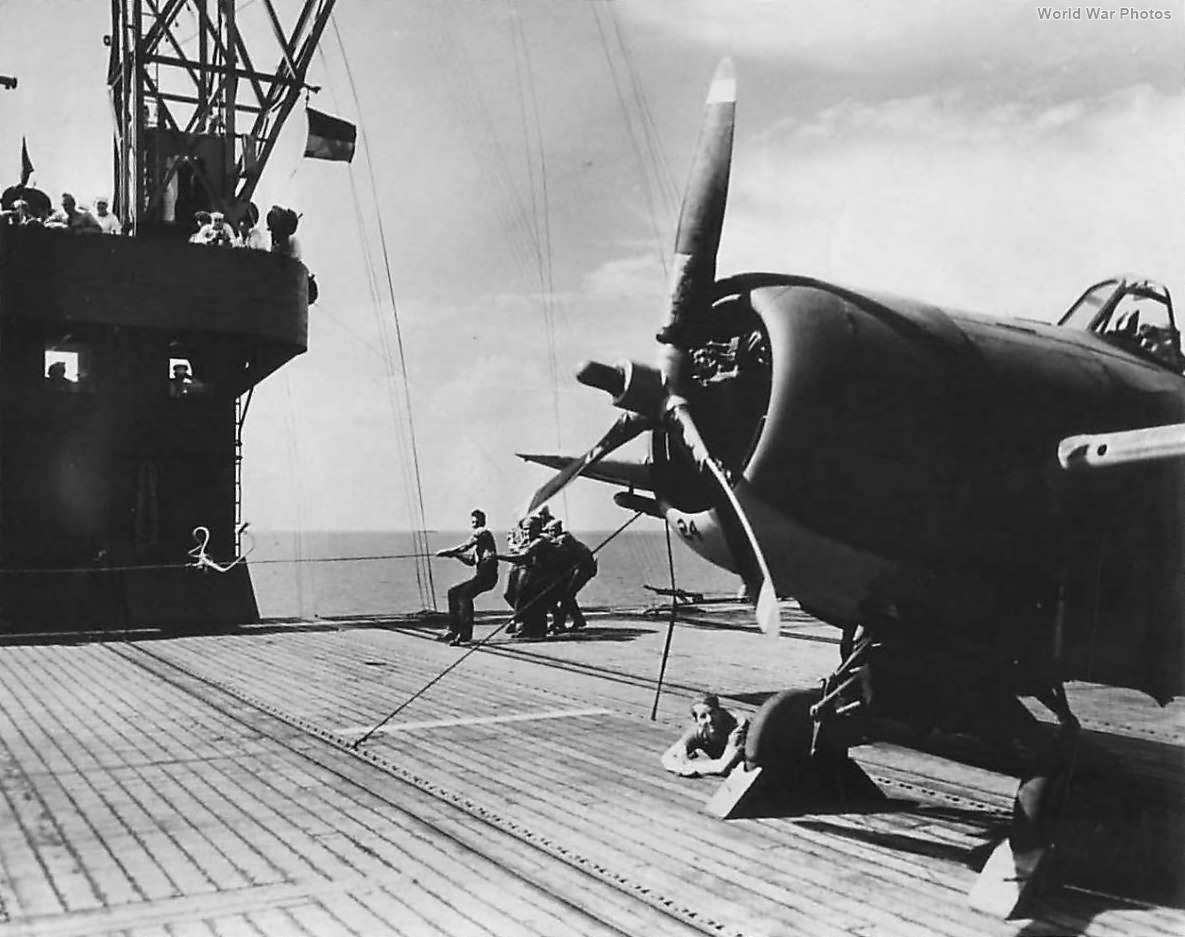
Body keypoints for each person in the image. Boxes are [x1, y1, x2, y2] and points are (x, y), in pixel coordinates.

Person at [435, 509, 499, 646]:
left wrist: (449, 552)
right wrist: (455, 555)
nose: (475, 525)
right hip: (482, 576)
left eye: (476, 522)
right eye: (473, 523)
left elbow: (464, 547)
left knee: (464, 596)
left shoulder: (483, 532)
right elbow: (471, 561)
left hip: (487, 576)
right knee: (453, 593)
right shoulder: (481, 545)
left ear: (483, 521)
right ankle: (453, 629)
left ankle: (464, 634)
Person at [661, 693, 749, 778]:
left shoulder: (737, 727)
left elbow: (722, 767)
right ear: (697, 720)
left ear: (719, 711)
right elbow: (667, 757)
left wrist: (687, 765)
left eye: (712, 712)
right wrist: (680, 765)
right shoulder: (699, 728)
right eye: (703, 716)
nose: (710, 720)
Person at [545, 518, 597, 632]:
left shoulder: (564, 539)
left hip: (583, 569)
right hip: (579, 568)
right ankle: (577, 620)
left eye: (551, 531)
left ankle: (560, 623)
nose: (550, 533)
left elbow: (556, 549)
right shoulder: (564, 537)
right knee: (567, 595)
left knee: (566, 595)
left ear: (556, 530)